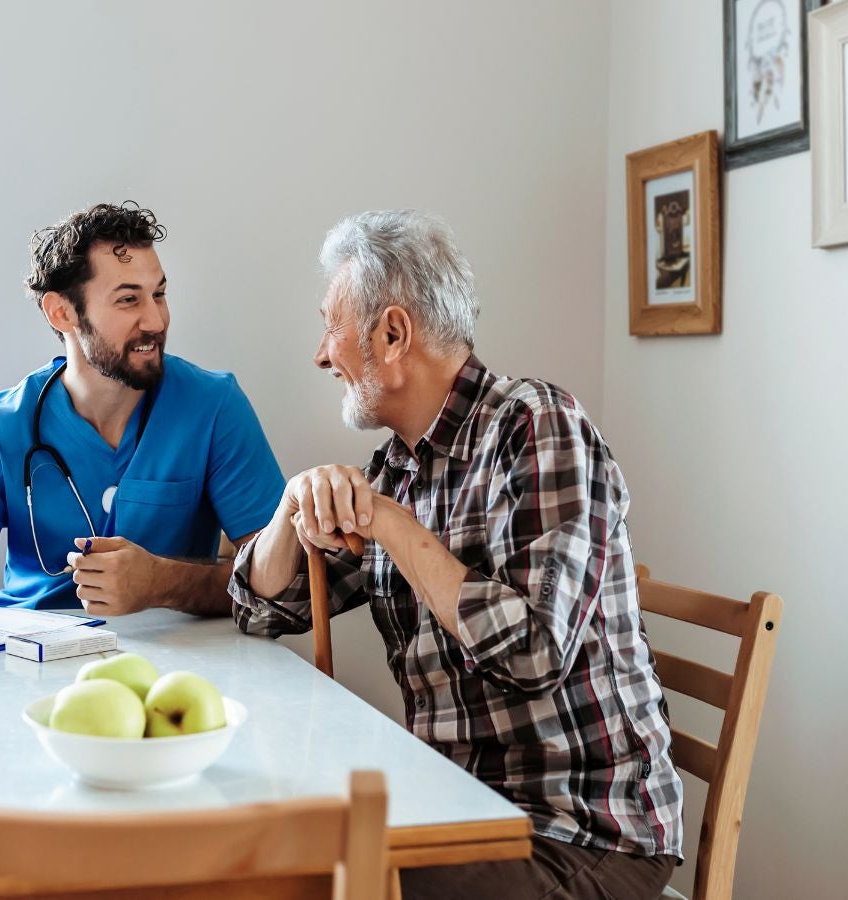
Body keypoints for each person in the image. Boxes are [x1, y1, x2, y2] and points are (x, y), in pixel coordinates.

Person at [229, 210, 683, 899]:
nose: (322, 354)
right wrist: (292, 507)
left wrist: (388, 521)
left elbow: (535, 651)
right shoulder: (398, 468)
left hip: (581, 830)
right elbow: (263, 609)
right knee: (290, 857)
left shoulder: (537, 425)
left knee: (324, 885)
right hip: (455, 806)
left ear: (392, 334)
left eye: (332, 326)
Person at [0, 202, 284, 616]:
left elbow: (278, 583)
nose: (156, 320)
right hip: (27, 659)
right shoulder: (3, 425)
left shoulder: (212, 406)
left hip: (170, 660)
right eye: (129, 299)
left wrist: (161, 582)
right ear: (62, 312)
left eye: (159, 294)